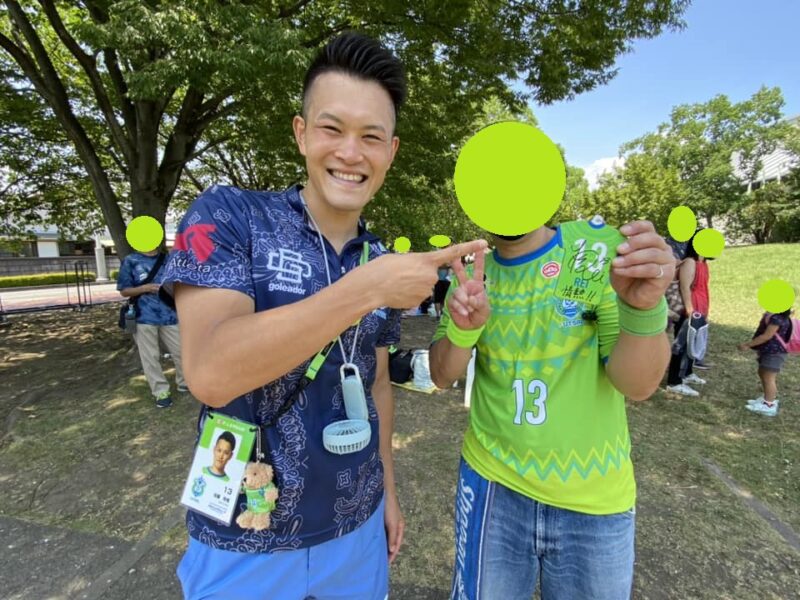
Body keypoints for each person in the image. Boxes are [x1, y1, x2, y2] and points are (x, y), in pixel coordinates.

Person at [160, 32, 487, 600]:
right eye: (332, 129)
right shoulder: (230, 216)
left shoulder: (379, 255)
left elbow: (379, 381)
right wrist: (366, 289)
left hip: (356, 527)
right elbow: (210, 371)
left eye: (371, 137)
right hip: (242, 534)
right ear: (301, 133)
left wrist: (386, 487)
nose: (350, 152)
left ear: (391, 151)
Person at [429, 218, 674, 600]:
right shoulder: (473, 277)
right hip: (492, 489)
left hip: (594, 501)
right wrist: (464, 328)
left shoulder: (595, 257)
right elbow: (442, 375)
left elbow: (638, 385)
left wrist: (643, 307)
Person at [117, 246, 187, 408]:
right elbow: (124, 291)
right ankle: (160, 391)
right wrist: (144, 288)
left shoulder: (168, 259)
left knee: (181, 351)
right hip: (143, 316)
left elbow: (180, 283)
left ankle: (184, 382)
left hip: (170, 314)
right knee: (150, 356)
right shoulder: (131, 261)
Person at [665, 232, 707, 396]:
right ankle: (674, 381)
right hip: (689, 308)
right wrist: (690, 309)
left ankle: (687, 374)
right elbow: (685, 287)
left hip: (699, 308)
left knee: (691, 344)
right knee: (680, 345)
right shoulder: (690, 262)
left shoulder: (701, 262)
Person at [738, 309, 793, 417]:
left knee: (769, 378)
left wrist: (748, 345)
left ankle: (769, 405)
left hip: (774, 353)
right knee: (762, 372)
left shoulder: (776, 319)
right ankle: (766, 398)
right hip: (768, 351)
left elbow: (766, 336)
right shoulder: (776, 316)